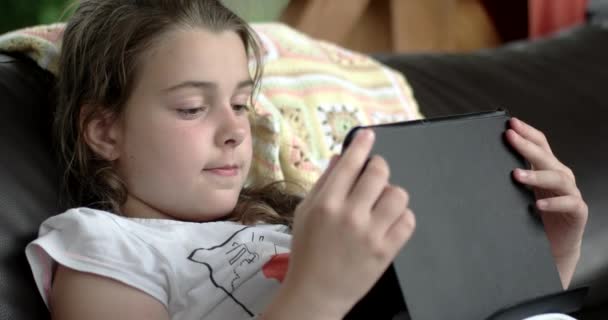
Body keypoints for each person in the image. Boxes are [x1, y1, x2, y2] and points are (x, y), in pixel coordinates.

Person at [24, 0, 588, 319]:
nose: (233, 131)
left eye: (242, 103)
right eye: (193, 108)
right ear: (104, 130)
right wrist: (317, 292)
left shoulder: (291, 219)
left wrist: (548, 252)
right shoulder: (101, 246)